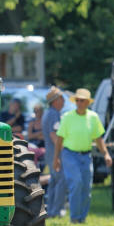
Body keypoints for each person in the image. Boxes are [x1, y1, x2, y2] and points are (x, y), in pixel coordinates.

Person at [53, 88, 112, 223]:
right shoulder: (67, 117)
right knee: (76, 182)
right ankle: (74, 217)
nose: (79, 103)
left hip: (86, 156)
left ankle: (82, 218)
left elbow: (98, 139)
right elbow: (60, 139)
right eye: (77, 100)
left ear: (87, 103)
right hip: (69, 154)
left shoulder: (93, 117)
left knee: (86, 187)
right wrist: (56, 158)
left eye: (82, 101)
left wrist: (106, 154)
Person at [42, 86, 67, 218]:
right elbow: (54, 135)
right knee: (61, 180)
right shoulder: (54, 114)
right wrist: (64, 151)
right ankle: (56, 210)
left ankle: (51, 210)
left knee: (54, 181)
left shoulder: (49, 113)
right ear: (55, 100)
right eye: (62, 98)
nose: (64, 101)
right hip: (55, 152)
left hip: (51, 152)